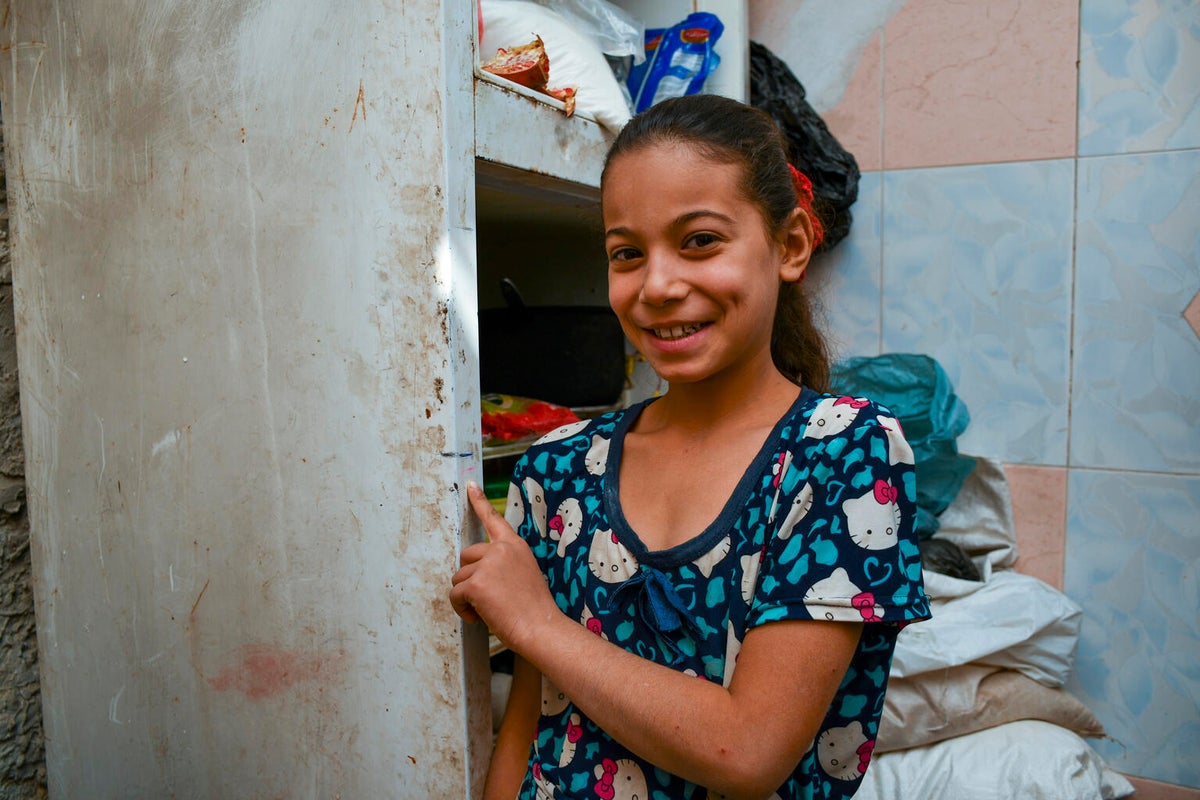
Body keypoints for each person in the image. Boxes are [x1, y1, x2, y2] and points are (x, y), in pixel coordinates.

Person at [450, 93, 930, 800]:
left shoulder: (842, 453)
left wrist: (531, 622)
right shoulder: (557, 467)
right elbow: (531, 717)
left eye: (700, 241)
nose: (659, 285)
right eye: (626, 253)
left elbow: (747, 752)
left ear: (790, 246)